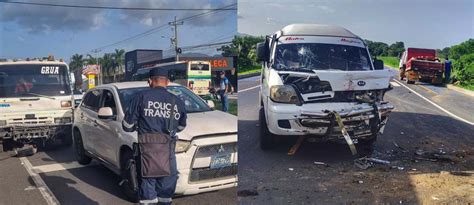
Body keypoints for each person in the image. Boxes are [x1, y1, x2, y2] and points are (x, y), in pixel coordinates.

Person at [122, 68, 187, 205]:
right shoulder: (177, 101)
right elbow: (181, 127)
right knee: (165, 196)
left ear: (150, 81)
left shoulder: (140, 98)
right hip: (168, 155)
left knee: (148, 197)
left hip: (147, 155)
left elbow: (127, 126)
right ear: (167, 82)